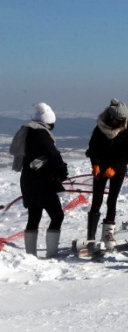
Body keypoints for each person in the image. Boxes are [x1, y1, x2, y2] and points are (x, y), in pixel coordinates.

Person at [10, 103, 69, 258]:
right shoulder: (42, 134)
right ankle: (51, 254)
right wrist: (62, 172)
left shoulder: (28, 131)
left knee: (34, 216)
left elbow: (36, 160)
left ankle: (30, 256)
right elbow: (54, 156)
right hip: (41, 182)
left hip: (28, 180)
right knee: (57, 216)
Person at [86, 99, 128, 251]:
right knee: (97, 200)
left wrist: (115, 168)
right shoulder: (100, 127)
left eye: (121, 120)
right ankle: (91, 237)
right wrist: (95, 164)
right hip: (101, 168)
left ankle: (108, 235)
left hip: (117, 169)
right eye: (116, 120)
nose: (119, 123)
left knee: (112, 200)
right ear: (110, 117)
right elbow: (93, 148)